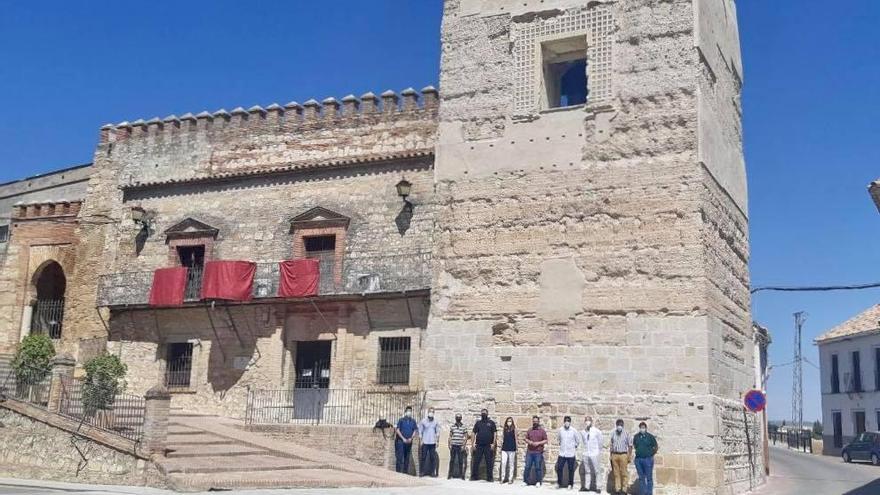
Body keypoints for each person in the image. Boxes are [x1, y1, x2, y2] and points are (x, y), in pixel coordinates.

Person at [471, 408, 497, 482]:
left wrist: (493, 444)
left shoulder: (491, 423)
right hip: (479, 445)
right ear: (481, 414)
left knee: (489, 462)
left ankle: (490, 478)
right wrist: (472, 444)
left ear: (487, 414)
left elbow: (495, 433)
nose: (483, 414)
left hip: (488, 445)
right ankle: (474, 476)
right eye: (482, 413)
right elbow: (473, 433)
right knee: (476, 461)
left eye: (485, 413)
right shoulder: (478, 423)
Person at [579, 416, 604, 493]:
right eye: (586, 420)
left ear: (591, 422)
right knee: (587, 471)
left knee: (597, 470)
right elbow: (583, 442)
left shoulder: (596, 431)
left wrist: (598, 451)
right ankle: (586, 487)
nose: (587, 422)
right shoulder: (583, 432)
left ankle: (598, 487)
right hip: (586, 453)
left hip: (594, 453)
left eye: (589, 420)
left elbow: (600, 442)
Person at [633, 422, 658, 495]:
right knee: (641, 478)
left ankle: (649, 493)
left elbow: (655, 447)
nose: (642, 429)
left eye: (643, 427)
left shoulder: (650, 437)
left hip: (648, 460)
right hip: (638, 460)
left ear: (646, 428)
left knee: (649, 478)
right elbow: (635, 445)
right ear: (639, 428)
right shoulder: (636, 436)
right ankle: (642, 493)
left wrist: (651, 454)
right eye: (641, 427)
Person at [609, 419, 632, 495]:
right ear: (616, 425)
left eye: (621, 424)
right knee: (616, 473)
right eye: (618, 424)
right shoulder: (613, 433)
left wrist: (629, 456)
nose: (619, 426)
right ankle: (617, 489)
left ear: (623, 425)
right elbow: (611, 444)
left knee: (624, 472)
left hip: (623, 455)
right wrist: (610, 455)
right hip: (614, 455)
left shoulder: (626, 433)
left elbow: (630, 445)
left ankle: (624, 489)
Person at [556, 415, 580, 489]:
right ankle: (559, 483)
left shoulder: (574, 430)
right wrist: (561, 445)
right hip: (562, 453)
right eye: (566, 421)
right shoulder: (561, 430)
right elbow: (558, 439)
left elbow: (578, 440)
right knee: (559, 468)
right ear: (564, 422)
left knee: (571, 469)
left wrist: (574, 446)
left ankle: (570, 484)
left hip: (570, 453)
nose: (567, 422)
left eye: (568, 421)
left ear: (570, 422)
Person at [524, 415, 548, 486]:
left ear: (538, 422)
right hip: (530, 452)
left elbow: (546, 440)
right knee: (527, 467)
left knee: (538, 467)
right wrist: (530, 442)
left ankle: (538, 482)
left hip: (538, 452)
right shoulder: (530, 430)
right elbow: (525, 438)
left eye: (536, 421)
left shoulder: (542, 431)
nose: (535, 423)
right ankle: (525, 481)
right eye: (534, 421)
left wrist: (538, 443)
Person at [394, 406, 418, 474]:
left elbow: (415, 430)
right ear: (405, 412)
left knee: (407, 458)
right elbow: (397, 430)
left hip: (409, 442)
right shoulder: (401, 420)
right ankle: (398, 473)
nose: (409, 412)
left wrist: (411, 438)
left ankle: (405, 473)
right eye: (408, 411)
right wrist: (403, 438)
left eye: (410, 411)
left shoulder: (413, 421)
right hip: (401, 442)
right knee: (400, 458)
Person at [419, 407, 440, 477]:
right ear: (428, 412)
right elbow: (420, 431)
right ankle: (421, 472)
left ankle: (432, 472)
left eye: (433, 412)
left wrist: (437, 441)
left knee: (432, 458)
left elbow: (437, 432)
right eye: (430, 411)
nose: (431, 413)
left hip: (432, 442)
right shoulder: (423, 421)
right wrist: (420, 440)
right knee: (423, 457)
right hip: (425, 442)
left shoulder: (436, 422)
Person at [448, 413, 470, 479]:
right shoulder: (452, 426)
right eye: (457, 417)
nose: (458, 418)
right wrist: (449, 444)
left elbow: (466, 437)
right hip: (453, 445)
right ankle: (450, 474)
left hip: (460, 446)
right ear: (455, 418)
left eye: (459, 417)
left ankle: (461, 475)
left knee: (461, 461)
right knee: (452, 460)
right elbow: (450, 436)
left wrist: (464, 445)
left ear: (461, 418)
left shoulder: (464, 427)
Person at [499, 417, 517, 484]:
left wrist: (516, 447)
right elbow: (502, 438)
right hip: (505, 448)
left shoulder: (514, 429)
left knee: (511, 464)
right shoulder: (505, 429)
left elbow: (516, 438)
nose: (509, 422)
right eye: (508, 421)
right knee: (503, 463)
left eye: (510, 421)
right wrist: (501, 446)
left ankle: (510, 478)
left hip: (512, 448)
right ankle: (502, 478)